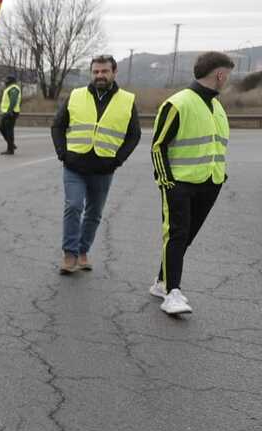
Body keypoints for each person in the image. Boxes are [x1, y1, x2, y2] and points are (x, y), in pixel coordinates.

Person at [149, 51, 233, 315]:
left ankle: (161, 282)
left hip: (211, 182)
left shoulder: (217, 106)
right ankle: (173, 292)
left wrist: (221, 175)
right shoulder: (178, 103)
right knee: (176, 233)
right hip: (180, 184)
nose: (227, 81)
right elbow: (158, 145)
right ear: (220, 75)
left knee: (186, 237)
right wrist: (167, 181)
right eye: (227, 76)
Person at [50, 55, 140, 274]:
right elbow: (57, 126)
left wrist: (118, 160)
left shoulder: (127, 100)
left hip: (103, 169)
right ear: (91, 73)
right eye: (96, 72)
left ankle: (83, 252)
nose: (100, 75)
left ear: (113, 72)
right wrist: (63, 153)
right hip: (74, 165)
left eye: (104, 71)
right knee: (73, 206)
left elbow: (134, 135)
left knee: (94, 213)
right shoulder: (76, 95)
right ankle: (69, 255)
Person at [0, 73, 22, 155]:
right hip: (7, 112)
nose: (5, 82)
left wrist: (9, 111)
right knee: (2, 128)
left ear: (10, 81)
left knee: (9, 131)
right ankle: (11, 145)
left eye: (6, 80)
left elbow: (13, 101)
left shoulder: (13, 89)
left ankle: (10, 149)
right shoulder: (9, 88)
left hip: (11, 112)